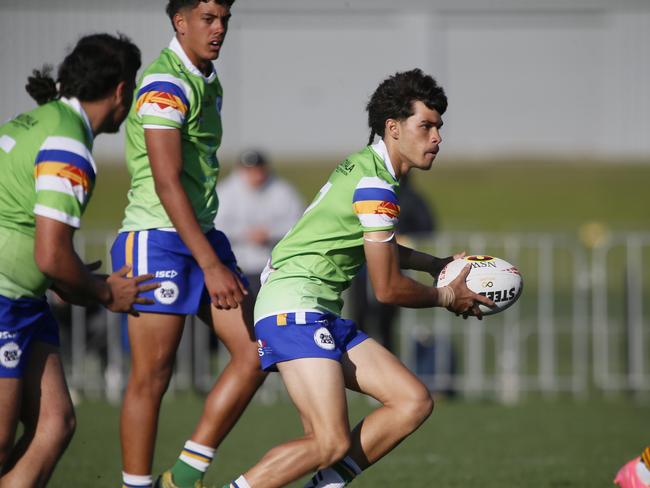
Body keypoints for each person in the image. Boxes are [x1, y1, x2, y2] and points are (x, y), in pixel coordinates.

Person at [222, 69, 495, 488]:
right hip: (293, 307)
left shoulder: (370, 170)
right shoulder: (375, 184)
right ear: (393, 128)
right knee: (328, 442)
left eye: (439, 126)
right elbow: (386, 288)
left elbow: (372, 249)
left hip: (314, 308)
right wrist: (446, 296)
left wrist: (433, 262)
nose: (437, 137)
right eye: (426, 126)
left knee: (411, 401)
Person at [109, 2, 266, 488]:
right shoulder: (165, 84)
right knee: (153, 377)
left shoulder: (206, 77)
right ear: (180, 22)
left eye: (225, 19)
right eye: (208, 19)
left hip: (200, 235)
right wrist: (211, 263)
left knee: (259, 350)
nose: (219, 29)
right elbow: (167, 182)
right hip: (157, 240)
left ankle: (182, 477)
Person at [0, 33, 151, 488]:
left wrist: (77, 278)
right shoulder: (68, 146)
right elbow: (50, 255)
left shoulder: (32, 120)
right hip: (5, 299)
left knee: (55, 424)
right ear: (122, 91)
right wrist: (106, 291)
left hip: (24, 301)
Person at [214, 149, 304, 296]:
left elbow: (298, 222)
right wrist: (246, 234)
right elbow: (217, 226)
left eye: (259, 169)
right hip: (236, 264)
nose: (256, 175)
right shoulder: (224, 192)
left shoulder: (283, 190)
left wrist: (270, 233)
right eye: (250, 170)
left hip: (274, 266)